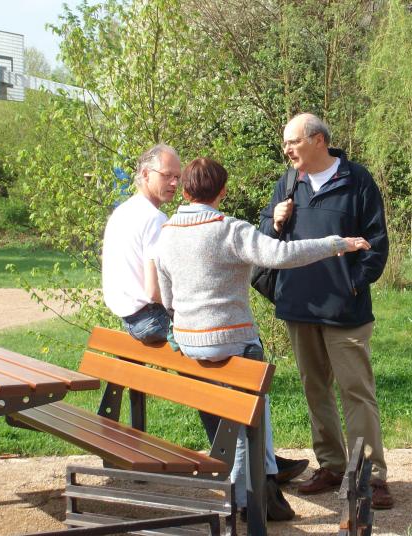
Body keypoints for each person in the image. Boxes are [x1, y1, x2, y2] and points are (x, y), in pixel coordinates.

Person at [155, 157, 371, 520]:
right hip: (232, 344)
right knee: (247, 425)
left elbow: (168, 297)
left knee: (231, 421)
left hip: (189, 344)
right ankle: (246, 499)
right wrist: (338, 243)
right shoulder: (230, 231)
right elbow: (283, 255)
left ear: (187, 190)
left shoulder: (168, 232)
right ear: (222, 192)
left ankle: (260, 484)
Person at [259, 113, 394, 509]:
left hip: (345, 310)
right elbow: (265, 240)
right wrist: (274, 220)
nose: (287, 150)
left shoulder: (357, 181)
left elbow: (377, 243)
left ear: (318, 140)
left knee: (356, 392)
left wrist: (352, 283)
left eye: (293, 142)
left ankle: (371, 475)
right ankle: (333, 466)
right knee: (315, 390)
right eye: (285, 144)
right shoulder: (287, 183)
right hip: (299, 307)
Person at [102, 144, 181, 343]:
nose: (174, 183)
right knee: (221, 342)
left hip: (130, 320)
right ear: (146, 174)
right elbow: (154, 291)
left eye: (178, 177)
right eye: (167, 175)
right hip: (152, 319)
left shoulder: (122, 212)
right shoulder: (154, 218)